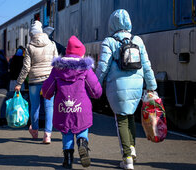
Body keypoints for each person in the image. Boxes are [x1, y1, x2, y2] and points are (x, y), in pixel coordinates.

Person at [95, 9, 157, 169]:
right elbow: (147, 65)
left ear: (112, 24)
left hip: (117, 85)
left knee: (121, 119)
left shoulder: (109, 42)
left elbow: (103, 66)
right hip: (136, 84)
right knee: (130, 118)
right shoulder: (138, 40)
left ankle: (127, 158)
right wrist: (152, 86)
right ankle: (132, 150)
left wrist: (96, 84)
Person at [42, 35, 102, 168]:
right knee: (82, 127)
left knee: (67, 131)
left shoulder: (57, 69)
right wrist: (97, 95)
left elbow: (47, 89)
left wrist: (46, 95)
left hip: (63, 108)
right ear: (81, 53)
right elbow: (95, 90)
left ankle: (68, 160)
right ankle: (82, 143)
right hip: (81, 107)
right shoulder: (85, 69)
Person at [15, 20, 58, 144]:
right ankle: (47, 135)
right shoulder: (52, 44)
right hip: (49, 81)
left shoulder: (30, 47)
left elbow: (26, 67)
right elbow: (56, 64)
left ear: (32, 34)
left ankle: (34, 130)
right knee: (49, 107)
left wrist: (19, 82)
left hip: (34, 81)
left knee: (35, 107)